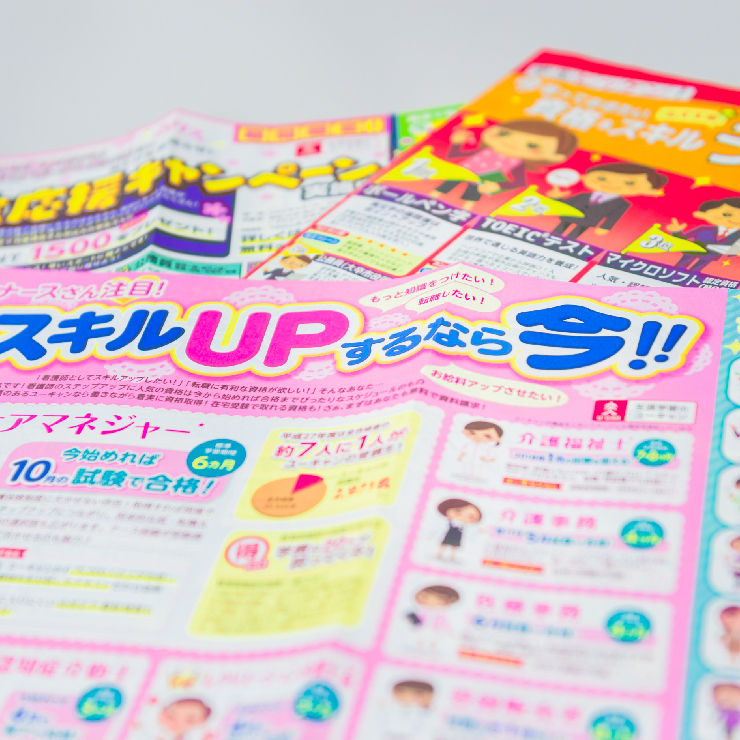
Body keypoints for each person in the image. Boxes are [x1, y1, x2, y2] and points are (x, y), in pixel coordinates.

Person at [429, 118, 578, 210]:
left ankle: (464, 214)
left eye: (532, 145)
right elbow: (455, 155)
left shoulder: (515, 161)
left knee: (471, 199)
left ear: (555, 157)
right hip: (461, 172)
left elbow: (518, 182)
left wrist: (498, 186)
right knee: (441, 189)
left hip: (482, 180)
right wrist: (456, 143)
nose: (510, 141)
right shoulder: (487, 150)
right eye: (503, 133)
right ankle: (428, 199)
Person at [547, 162, 668, 240]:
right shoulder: (583, 195)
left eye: (629, 183)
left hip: (588, 221)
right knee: (558, 230)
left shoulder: (621, 203)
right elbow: (566, 205)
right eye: (601, 178)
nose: (611, 184)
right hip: (569, 216)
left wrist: (605, 227)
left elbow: (614, 217)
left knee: (574, 235)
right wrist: (557, 198)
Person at [665, 197, 740, 272]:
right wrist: (676, 231)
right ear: (701, 214)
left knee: (696, 271)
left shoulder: (737, 236)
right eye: (727, 214)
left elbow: (734, 251)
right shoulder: (704, 229)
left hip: (709, 256)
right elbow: (683, 238)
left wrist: (735, 252)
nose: (734, 219)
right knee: (678, 267)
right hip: (692, 251)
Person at [406, 585, 460, 650]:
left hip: (434, 630)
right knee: (422, 637)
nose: (423, 599)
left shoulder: (440, 613)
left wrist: (449, 631)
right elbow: (419, 618)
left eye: (426, 597)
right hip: (423, 628)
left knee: (432, 639)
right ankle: (419, 646)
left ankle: (431, 648)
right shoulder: (423, 610)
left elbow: (445, 623)